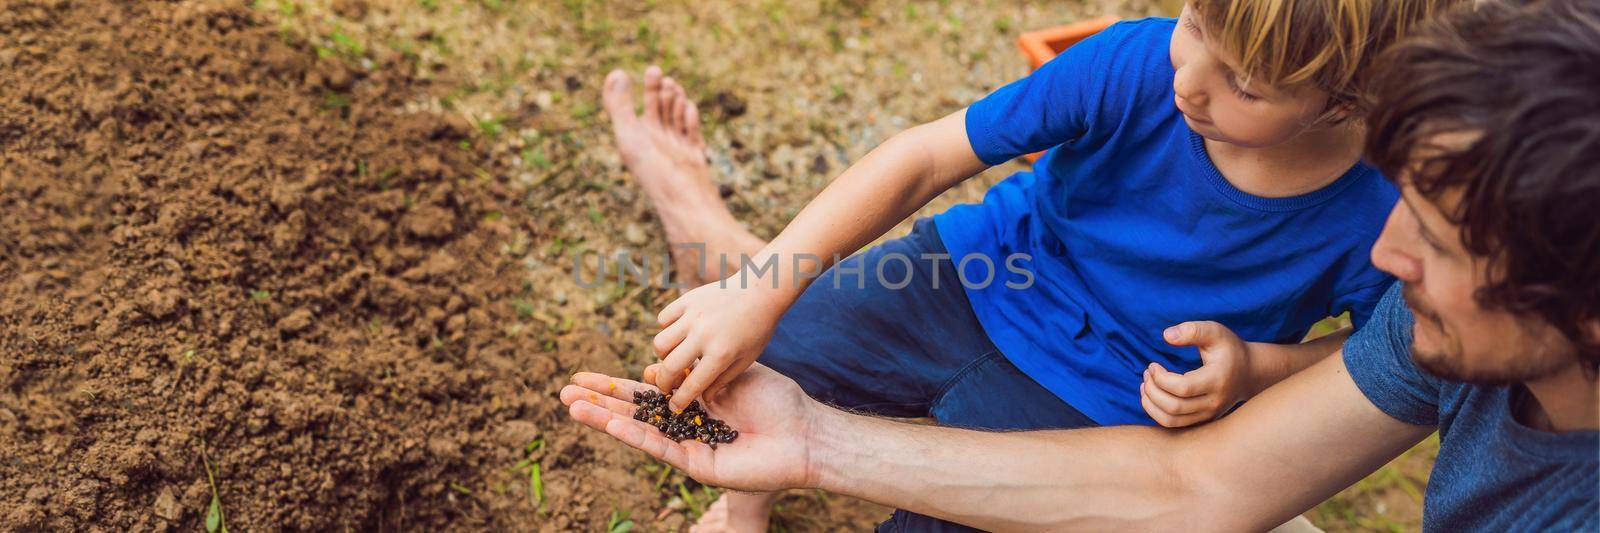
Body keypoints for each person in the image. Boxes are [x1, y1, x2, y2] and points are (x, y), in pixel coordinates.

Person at [567, 0, 1600, 530]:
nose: (1190, 76)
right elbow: (928, 154)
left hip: (1099, 391)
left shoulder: (1367, 203)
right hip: (981, 275)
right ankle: (741, 493)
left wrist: (1249, 370)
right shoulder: (1138, 63)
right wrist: (765, 288)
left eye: (1239, 77)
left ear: (1341, 103)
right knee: (773, 348)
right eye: (1195, 21)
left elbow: (1306, 372)